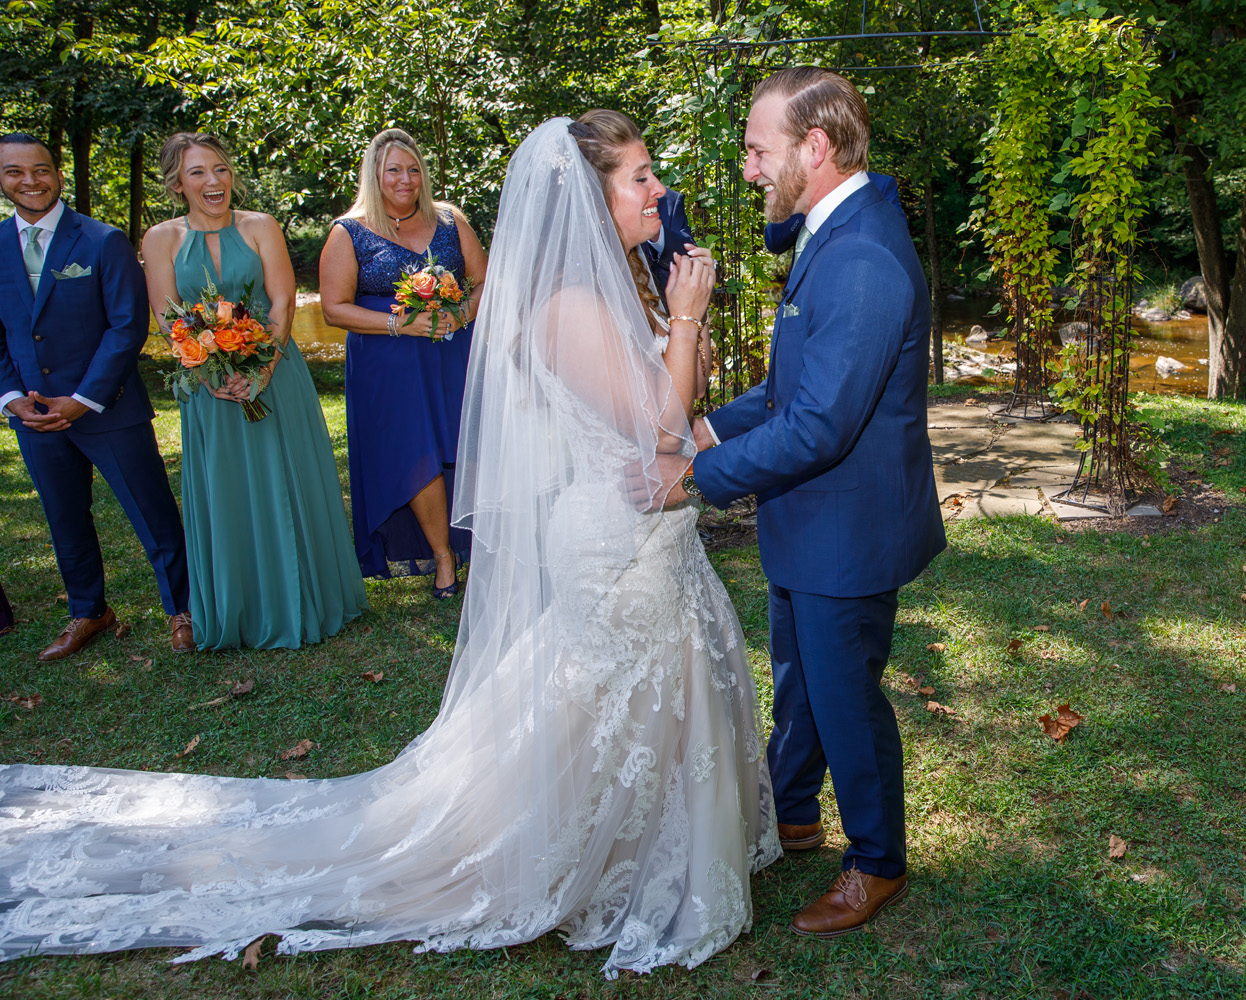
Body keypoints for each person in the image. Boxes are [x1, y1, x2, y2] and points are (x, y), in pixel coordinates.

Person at [0, 113, 777, 976]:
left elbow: (677, 404)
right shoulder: (567, 304)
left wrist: (680, 321)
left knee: (628, 697)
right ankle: (587, 854)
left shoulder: (621, 279)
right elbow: (661, 430)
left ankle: (658, 840)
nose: (657, 188)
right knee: (608, 700)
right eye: (639, 176)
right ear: (592, 198)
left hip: (645, 526)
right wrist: (686, 319)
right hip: (613, 532)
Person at [688, 68, 947, 938]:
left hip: (847, 529)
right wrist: (705, 429)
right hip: (810, 523)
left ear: (817, 146)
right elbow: (791, 387)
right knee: (801, 682)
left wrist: (694, 479)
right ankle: (792, 812)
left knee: (845, 700)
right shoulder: (833, 228)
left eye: (757, 150)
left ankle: (877, 862)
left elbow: (819, 426)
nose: (748, 168)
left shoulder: (864, 256)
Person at [140, 133, 368, 650]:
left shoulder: (261, 226)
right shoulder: (161, 239)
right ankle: (240, 610)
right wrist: (207, 373)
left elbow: (282, 303)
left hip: (276, 375)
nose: (213, 181)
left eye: (220, 169)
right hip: (208, 387)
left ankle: (304, 600)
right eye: (198, 172)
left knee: (287, 481)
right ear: (177, 184)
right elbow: (168, 317)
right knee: (227, 491)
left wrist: (261, 372)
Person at [0, 133, 193, 659]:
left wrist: (83, 398)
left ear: (58, 174)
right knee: (64, 518)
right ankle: (89, 612)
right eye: (15, 172)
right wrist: (12, 398)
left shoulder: (101, 240)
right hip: (34, 415)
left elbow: (127, 327)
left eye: (41, 169)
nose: (30, 181)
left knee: (153, 513)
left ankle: (184, 609)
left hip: (110, 409)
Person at [319, 129, 486, 597]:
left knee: (466, 443)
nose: (405, 179)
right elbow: (333, 308)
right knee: (415, 453)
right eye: (394, 169)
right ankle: (443, 556)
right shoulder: (348, 231)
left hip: (451, 353)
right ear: (374, 174)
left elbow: (484, 279)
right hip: (387, 364)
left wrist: (461, 313)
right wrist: (398, 325)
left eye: (413, 169)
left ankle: (484, 546)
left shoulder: (450, 220)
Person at [763, 171, 904, 254]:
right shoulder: (803, 186)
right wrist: (807, 202)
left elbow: (898, 241)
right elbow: (774, 242)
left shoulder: (881, 185)